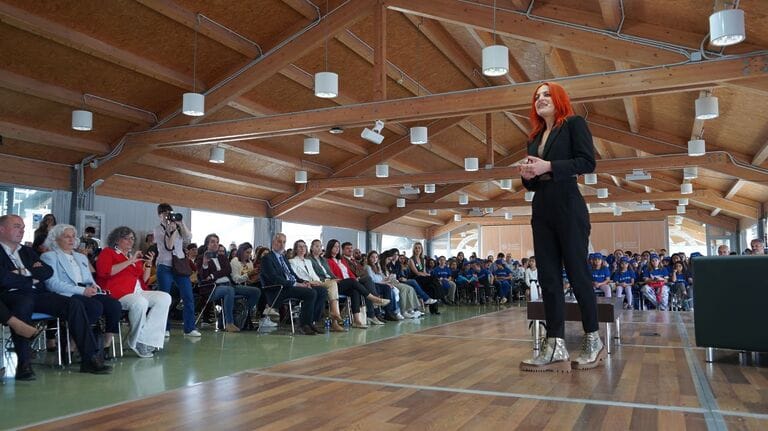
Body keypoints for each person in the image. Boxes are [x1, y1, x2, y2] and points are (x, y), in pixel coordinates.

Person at [519, 82, 605, 372]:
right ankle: (555, 344)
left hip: (568, 203)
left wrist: (549, 166)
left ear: (559, 99)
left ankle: (593, 339)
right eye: (537, 96)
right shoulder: (534, 138)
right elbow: (533, 183)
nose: (540, 99)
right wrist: (528, 175)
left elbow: (587, 162)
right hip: (542, 206)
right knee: (548, 278)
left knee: (578, 274)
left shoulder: (573, 124)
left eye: (546, 94)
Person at [0, 214, 110, 379]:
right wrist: (31, 276)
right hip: (10, 295)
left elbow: (46, 271)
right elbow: (3, 278)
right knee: (23, 304)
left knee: (74, 304)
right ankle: (24, 364)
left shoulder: (27, 251)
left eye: (23, 228)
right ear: (2, 229)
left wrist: (20, 273)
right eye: (17, 227)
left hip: (38, 294)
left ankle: (89, 358)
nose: (21, 231)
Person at [41, 224, 123, 358]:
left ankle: (105, 345)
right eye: (66, 236)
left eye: (73, 236)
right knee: (94, 307)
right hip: (67, 293)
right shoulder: (49, 256)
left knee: (114, 305)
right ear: (55, 239)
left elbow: (89, 279)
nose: (71, 239)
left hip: (86, 290)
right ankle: (73, 344)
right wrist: (82, 290)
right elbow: (52, 284)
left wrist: (95, 287)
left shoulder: (81, 257)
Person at [95, 226, 171, 358]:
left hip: (138, 291)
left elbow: (144, 280)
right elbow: (105, 272)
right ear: (117, 240)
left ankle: (146, 340)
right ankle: (137, 342)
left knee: (164, 297)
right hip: (118, 293)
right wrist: (130, 261)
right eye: (127, 238)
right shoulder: (108, 252)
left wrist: (148, 264)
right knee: (140, 302)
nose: (131, 241)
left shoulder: (131, 256)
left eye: (132, 238)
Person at [260, 233, 327, 335]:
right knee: (310, 293)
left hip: (289, 287)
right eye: (279, 242)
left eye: (284, 242)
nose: (282, 244)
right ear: (273, 243)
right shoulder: (267, 258)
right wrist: (296, 284)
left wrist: (304, 282)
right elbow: (274, 279)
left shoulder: (283, 258)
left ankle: (311, 322)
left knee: (322, 290)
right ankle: (304, 325)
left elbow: (292, 274)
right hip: (278, 289)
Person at [196, 234, 261, 332]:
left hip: (229, 284)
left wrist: (213, 275)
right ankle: (229, 323)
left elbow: (227, 270)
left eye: (217, 242)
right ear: (207, 244)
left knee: (256, 291)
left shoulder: (222, 257)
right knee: (228, 290)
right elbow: (204, 277)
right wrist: (205, 265)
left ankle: (242, 312)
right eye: (212, 242)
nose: (215, 244)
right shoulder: (201, 258)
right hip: (212, 288)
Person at [153, 203, 198, 337]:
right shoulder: (157, 229)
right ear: (159, 215)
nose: (168, 215)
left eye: (170, 213)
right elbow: (169, 246)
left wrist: (181, 223)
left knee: (188, 297)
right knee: (165, 298)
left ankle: (190, 328)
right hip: (164, 265)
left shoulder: (177, 226)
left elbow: (188, 237)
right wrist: (171, 230)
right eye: (164, 213)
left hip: (180, 266)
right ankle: (164, 328)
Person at [290, 239, 345, 332]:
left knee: (322, 291)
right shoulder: (292, 261)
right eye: (300, 247)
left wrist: (318, 281)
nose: (302, 248)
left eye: (304, 246)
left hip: (313, 283)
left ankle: (313, 320)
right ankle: (306, 323)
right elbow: (296, 276)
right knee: (316, 291)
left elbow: (313, 274)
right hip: (302, 284)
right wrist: (309, 282)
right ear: (295, 249)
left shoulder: (308, 261)